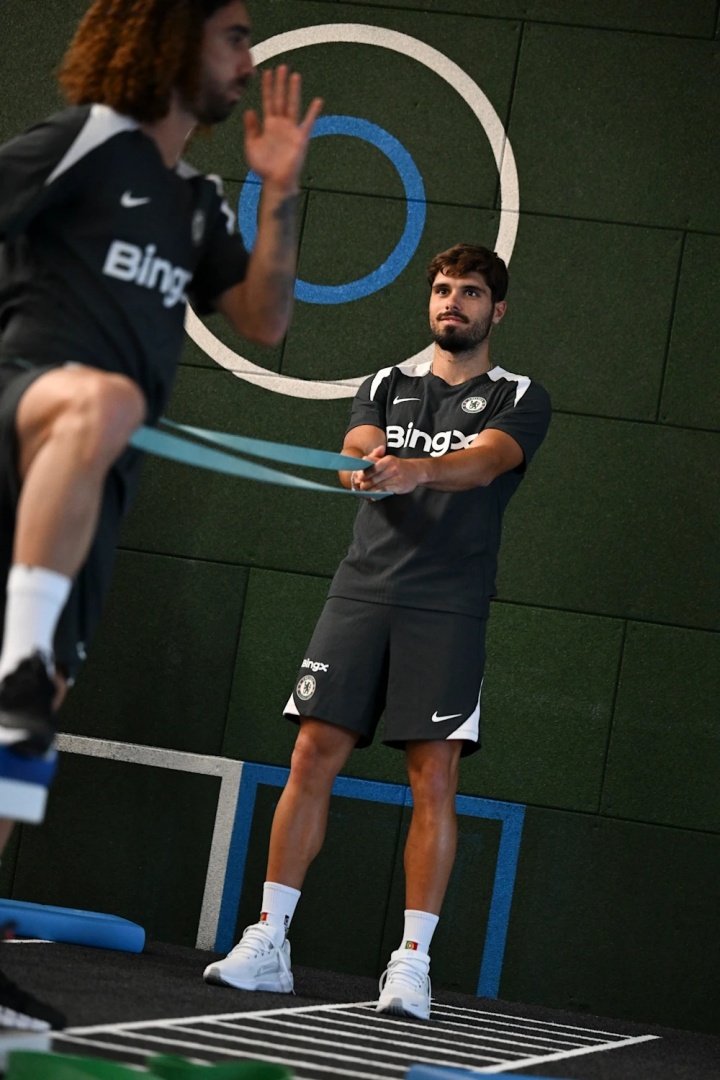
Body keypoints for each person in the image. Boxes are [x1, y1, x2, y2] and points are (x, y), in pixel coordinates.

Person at [0, 0, 321, 1036]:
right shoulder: (84, 141)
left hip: (92, 484)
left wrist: (282, 191)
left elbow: (264, 317)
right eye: (233, 35)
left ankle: (25, 675)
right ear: (169, 38)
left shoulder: (195, 200)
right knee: (103, 400)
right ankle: (19, 662)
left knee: (27, 728)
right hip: (26, 410)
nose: (249, 59)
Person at [203, 242, 552, 1019]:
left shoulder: (520, 395)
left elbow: (486, 461)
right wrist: (366, 465)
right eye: (442, 289)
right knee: (309, 755)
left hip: (447, 605)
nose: (452, 302)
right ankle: (269, 940)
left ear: (497, 310)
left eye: (469, 292)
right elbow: (356, 448)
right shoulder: (386, 383)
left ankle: (411, 962)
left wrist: (417, 469)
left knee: (434, 777)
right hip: (361, 591)